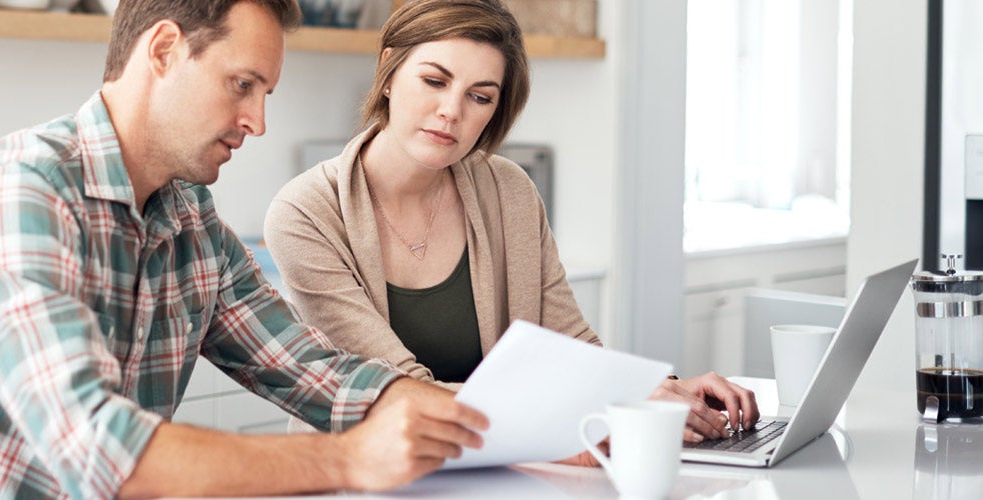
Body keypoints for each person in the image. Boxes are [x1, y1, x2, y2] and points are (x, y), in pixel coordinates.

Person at [0, 1, 493, 498]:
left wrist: (515, 427)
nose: (257, 121)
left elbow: (322, 375)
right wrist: (351, 459)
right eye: (242, 84)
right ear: (163, 49)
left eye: (264, 93)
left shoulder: (190, 221)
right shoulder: (18, 192)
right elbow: (99, 448)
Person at [262, 0, 759, 451]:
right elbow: (401, 393)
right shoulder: (304, 214)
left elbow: (570, 343)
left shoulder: (509, 189)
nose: (450, 111)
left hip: (502, 464)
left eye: (480, 97)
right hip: (373, 474)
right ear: (388, 71)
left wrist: (652, 390)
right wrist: (610, 409)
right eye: (434, 81)